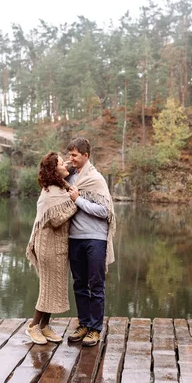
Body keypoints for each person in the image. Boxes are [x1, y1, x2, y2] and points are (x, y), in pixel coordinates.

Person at [65, 137, 116, 347]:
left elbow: (105, 211)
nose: (71, 158)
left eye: (75, 155)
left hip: (95, 238)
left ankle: (95, 329)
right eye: (70, 155)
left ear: (86, 156)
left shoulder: (96, 179)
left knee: (96, 285)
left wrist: (78, 200)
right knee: (79, 284)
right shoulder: (69, 177)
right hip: (75, 238)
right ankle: (84, 324)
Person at [25, 152, 77, 345]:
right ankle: (32, 327)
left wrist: (71, 163)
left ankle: (45, 326)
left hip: (59, 246)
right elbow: (56, 220)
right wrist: (75, 202)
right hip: (47, 247)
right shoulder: (50, 193)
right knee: (47, 289)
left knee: (54, 288)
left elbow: (69, 170)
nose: (66, 165)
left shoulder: (61, 187)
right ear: (54, 170)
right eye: (62, 163)